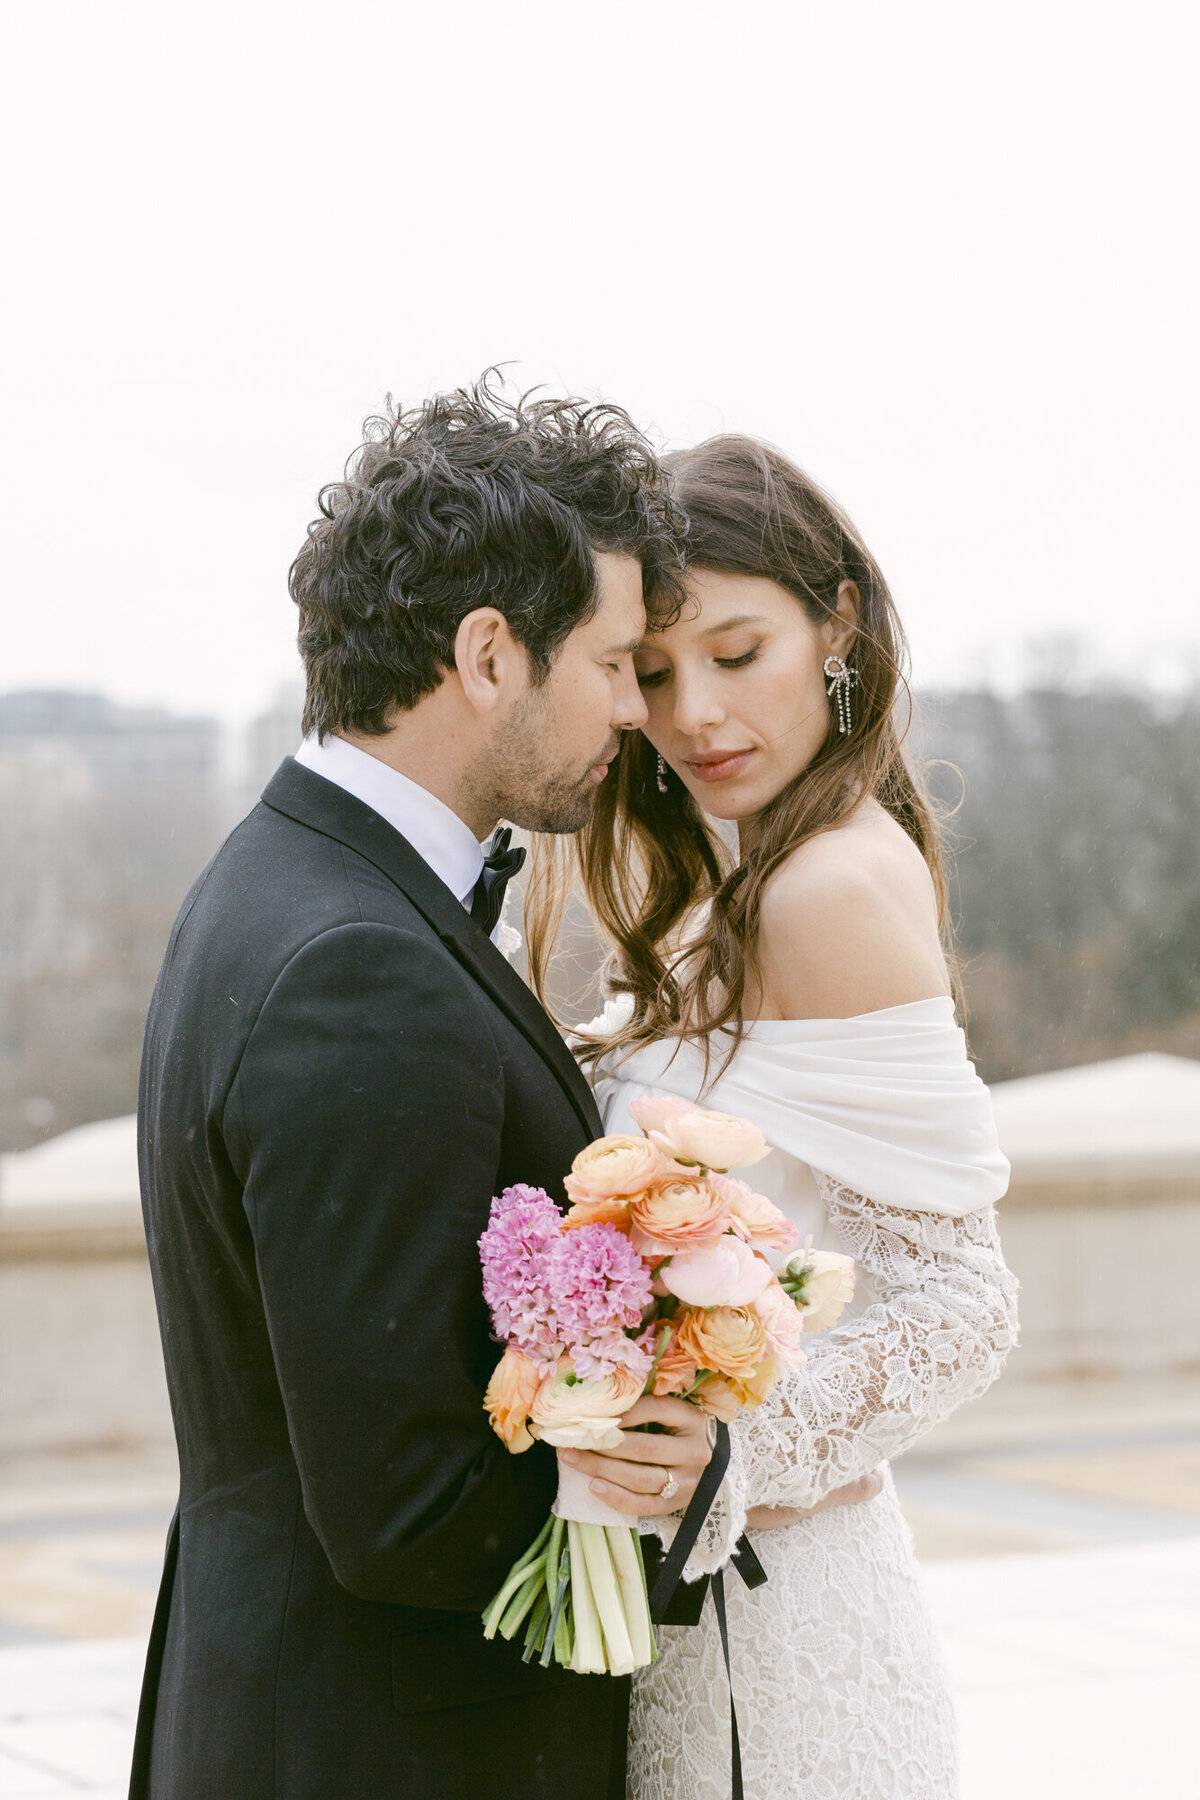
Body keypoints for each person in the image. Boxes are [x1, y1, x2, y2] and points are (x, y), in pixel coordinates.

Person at [129, 377, 719, 1800]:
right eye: (615, 663)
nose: (639, 714)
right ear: (486, 654)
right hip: (387, 1746)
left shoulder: (285, 879)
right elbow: (405, 1506)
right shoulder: (357, 968)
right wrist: (680, 1491)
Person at [529, 435, 1020, 1799]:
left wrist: (730, 1453)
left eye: (738, 654)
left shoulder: (823, 893)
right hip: (710, 1610)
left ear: (837, 622)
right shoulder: (745, 873)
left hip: (781, 1639)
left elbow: (964, 1302)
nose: (696, 716)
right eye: (659, 671)